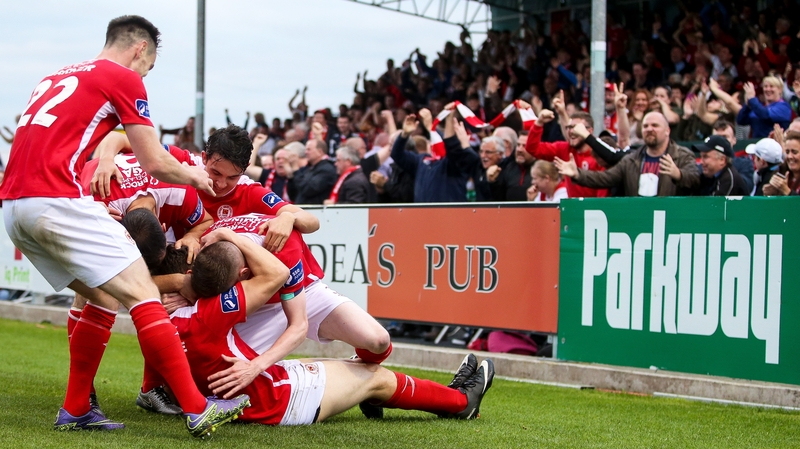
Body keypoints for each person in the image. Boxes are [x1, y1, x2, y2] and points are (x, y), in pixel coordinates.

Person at [0, 15, 247, 436]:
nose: (145, 74)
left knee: (101, 297)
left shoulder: (55, 76)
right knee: (144, 293)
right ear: (140, 49)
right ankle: (197, 407)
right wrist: (193, 176)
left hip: (14, 207)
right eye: (148, 67)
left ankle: (77, 408)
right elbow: (153, 160)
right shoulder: (123, 76)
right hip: (56, 197)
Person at [161, 228, 495, 425]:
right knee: (374, 376)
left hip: (256, 389)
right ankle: (461, 403)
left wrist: (177, 284)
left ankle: (446, 395)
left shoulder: (162, 316)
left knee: (363, 360)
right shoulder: (214, 310)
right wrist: (229, 235)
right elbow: (277, 273)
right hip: (277, 399)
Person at [554, 112, 699, 197]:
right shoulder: (632, 159)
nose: (649, 129)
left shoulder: (682, 155)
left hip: (671, 224)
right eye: (645, 126)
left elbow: (696, 180)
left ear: (667, 130)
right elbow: (605, 178)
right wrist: (578, 174)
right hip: (638, 226)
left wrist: (679, 175)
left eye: (655, 125)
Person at [287, 139, 337, 204]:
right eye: (305, 150)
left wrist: (296, 171)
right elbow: (295, 194)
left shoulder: (326, 170)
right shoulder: (309, 168)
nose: (306, 152)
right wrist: (291, 178)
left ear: (319, 152)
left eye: (309, 149)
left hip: (315, 209)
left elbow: (308, 189)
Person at [764, 131, 800, 196]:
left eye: (794, 152)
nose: (789, 156)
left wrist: (787, 191)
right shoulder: (780, 172)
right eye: (787, 152)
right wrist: (770, 195)